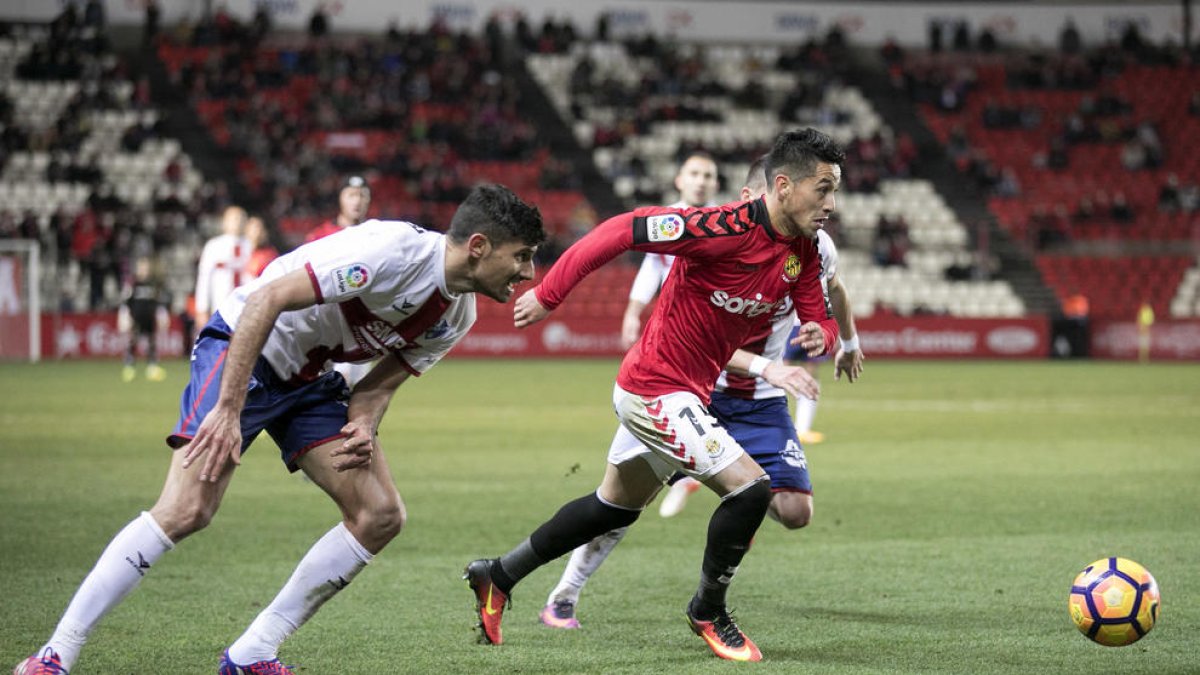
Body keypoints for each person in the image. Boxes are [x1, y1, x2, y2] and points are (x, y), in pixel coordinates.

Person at [12, 185, 546, 675]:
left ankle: (252, 653)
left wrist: (362, 421)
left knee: (379, 515)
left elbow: (377, 387)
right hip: (246, 347)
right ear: (479, 245)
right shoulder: (391, 252)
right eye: (521, 256)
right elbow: (266, 299)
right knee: (187, 509)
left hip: (310, 377)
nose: (528, 272)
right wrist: (227, 407)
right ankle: (55, 654)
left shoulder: (457, 316)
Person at [464, 128, 844, 662]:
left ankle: (497, 575)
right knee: (752, 489)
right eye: (823, 189)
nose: (831, 204)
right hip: (653, 387)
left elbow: (820, 316)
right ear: (783, 186)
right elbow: (622, 230)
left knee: (610, 509)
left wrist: (820, 336)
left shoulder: (800, 251)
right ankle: (709, 610)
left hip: (688, 394)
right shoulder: (717, 228)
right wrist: (549, 295)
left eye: (835, 191)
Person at [539, 156, 864, 631]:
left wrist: (843, 340)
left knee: (794, 510)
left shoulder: (811, 247)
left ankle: (725, 492)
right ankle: (565, 594)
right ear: (763, 195)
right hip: (690, 389)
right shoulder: (714, 237)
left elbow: (832, 290)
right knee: (621, 503)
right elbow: (689, 330)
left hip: (758, 400)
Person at [620, 150, 719, 350]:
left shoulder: (727, 223)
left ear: (716, 185)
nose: (700, 182)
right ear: (679, 181)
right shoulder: (663, 221)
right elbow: (652, 267)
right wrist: (632, 314)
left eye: (707, 176)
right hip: (672, 321)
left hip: (714, 324)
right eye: (694, 174)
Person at [194, 205, 249, 329]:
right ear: (224, 222)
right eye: (234, 218)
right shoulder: (214, 246)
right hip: (221, 304)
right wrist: (201, 308)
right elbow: (204, 278)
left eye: (241, 219)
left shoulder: (251, 246)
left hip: (247, 306)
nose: (238, 222)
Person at [118, 256, 171, 383]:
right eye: (142, 267)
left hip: (149, 318)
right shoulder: (133, 283)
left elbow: (159, 302)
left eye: (146, 267)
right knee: (133, 341)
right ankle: (129, 367)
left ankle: (152, 367)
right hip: (136, 317)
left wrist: (163, 316)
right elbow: (126, 302)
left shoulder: (153, 284)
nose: (144, 270)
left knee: (152, 342)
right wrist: (124, 316)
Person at [305, 176, 371, 243]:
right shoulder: (321, 236)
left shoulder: (375, 233)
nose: (357, 201)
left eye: (362, 195)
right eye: (351, 195)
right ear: (340, 198)